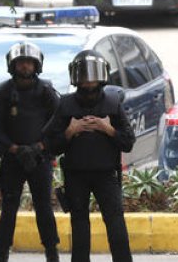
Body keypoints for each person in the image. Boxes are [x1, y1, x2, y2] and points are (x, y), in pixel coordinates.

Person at [44, 49, 135, 262]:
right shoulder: (66, 104)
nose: (88, 81)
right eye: (83, 76)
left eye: (92, 75)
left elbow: (128, 142)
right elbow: (50, 144)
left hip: (106, 174)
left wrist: (108, 129)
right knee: (79, 227)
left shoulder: (112, 103)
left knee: (116, 224)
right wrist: (70, 132)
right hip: (76, 175)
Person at [0, 42, 62, 262]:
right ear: (13, 65)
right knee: (8, 208)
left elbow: (59, 124)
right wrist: (14, 148)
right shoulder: (5, 91)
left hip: (40, 158)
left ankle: (52, 253)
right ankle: (1, 253)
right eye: (21, 62)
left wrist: (40, 147)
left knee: (44, 207)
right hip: (12, 159)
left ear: (37, 65)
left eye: (29, 62)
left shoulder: (46, 91)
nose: (25, 66)